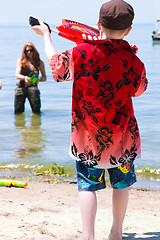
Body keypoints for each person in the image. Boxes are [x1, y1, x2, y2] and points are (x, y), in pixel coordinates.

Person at [31, 0, 148, 239]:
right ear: (128, 31)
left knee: (87, 186)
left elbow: (57, 69)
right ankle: (116, 232)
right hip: (122, 139)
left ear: (97, 24)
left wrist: (46, 35)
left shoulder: (80, 52)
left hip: (87, 138)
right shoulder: (134, 60)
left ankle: (88, 235)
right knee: (121, 185)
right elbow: (139, 90)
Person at [15, 42, 46, 114]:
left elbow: (44, 77)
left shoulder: (39, 62)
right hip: (21, 87)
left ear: (34, 51)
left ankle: (36, 124)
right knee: (18, 112)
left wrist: (39, 79)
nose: (29, 52)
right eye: (27, 51)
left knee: (36, 111)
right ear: (24, 52)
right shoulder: (21, 61)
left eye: (31, 50)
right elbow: (17, 75)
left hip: (33, 87)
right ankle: (20, 125)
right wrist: (24, 77)